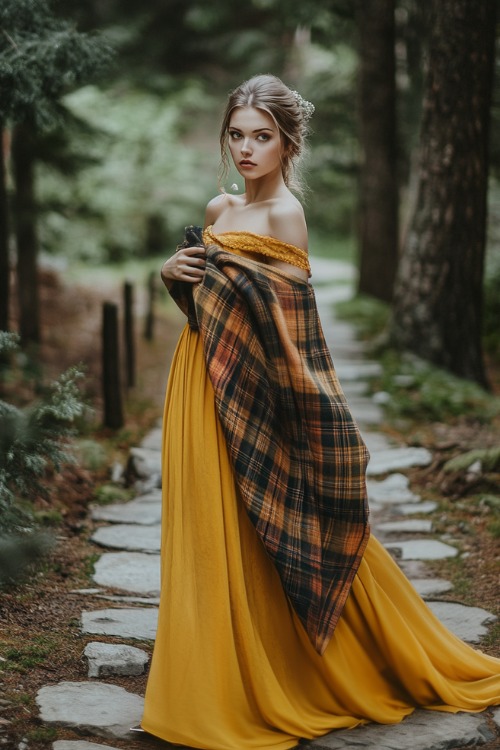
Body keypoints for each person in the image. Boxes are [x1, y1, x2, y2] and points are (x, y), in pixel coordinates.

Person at [140, 74, 500, 750]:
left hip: (258, 396)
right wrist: (171, 278)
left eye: (262, 136)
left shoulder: (284, 217)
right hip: (198, 383)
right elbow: (209, 311)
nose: (247, 149)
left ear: (287, 142)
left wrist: (310, 416)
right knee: (212, 529)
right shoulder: (218, 210)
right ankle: (214, 670)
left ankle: (305, 662)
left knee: (276, 522)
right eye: (238, 135)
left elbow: (290, 332)